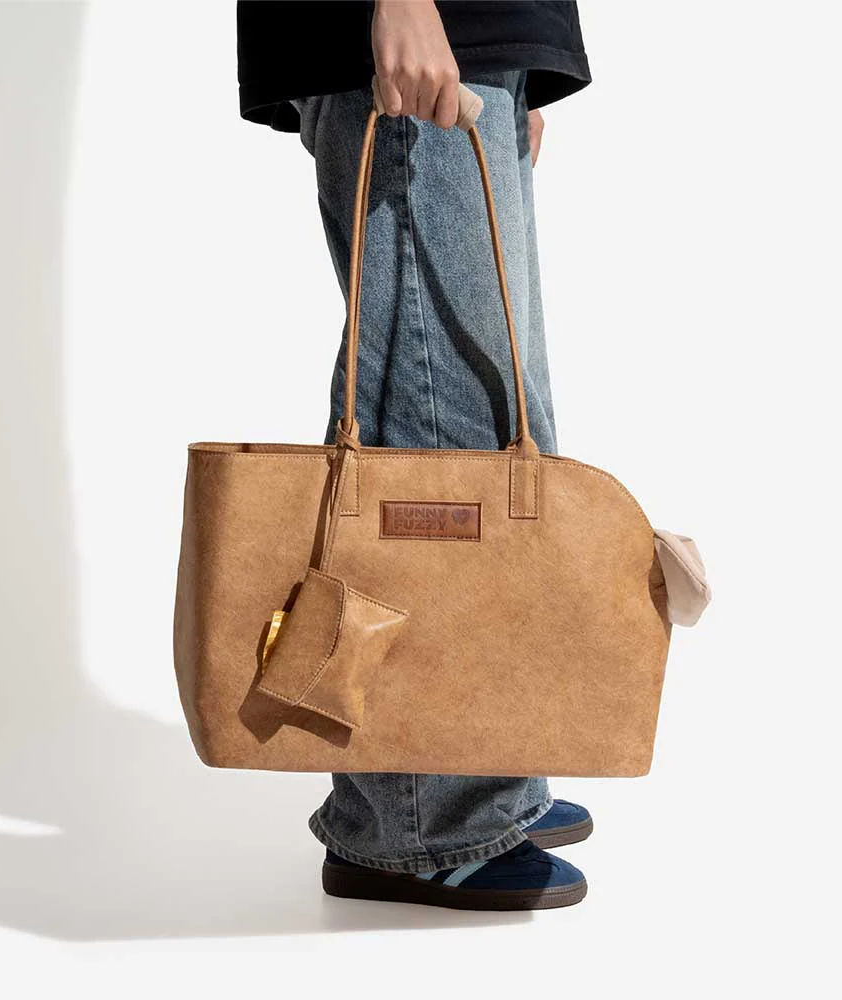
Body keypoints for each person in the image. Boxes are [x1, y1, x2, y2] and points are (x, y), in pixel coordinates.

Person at [237, 0, 594, 910]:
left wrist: (520, 70)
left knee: (499, 429)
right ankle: (423, 818)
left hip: (474, 40)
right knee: (435, 439)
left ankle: (487, 770)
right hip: (415, 28)